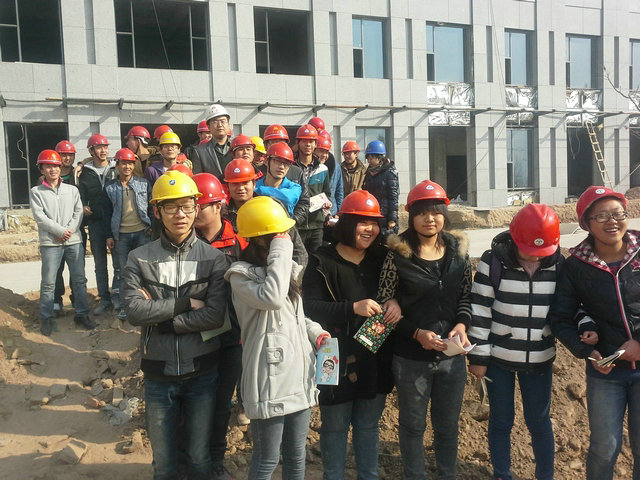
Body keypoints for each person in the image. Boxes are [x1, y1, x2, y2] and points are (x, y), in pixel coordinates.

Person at [122, 170, 229, 480]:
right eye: (170, 207)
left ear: (196, 208)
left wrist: (162, 321)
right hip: (158, 374)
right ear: (157, 211)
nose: (180, 214)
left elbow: (214, 316)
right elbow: (134, 311)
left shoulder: (213, 259)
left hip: (202, 372)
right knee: (165, 463)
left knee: (198, 457)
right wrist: (184, 304)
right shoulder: (139, 259)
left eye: (186, 206)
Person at [224, 195, 329, 480]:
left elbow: (296, 317)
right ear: (260, 239)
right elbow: (272, 298)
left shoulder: (283, 271)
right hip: (268, 380)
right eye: (280, 233)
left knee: (296, 457)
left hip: (298, 375)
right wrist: (282, 250)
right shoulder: (240, 276)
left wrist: (317, 333)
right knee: (267, 460)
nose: (288, 237)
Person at [377, 180, 472, 480]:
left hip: (451, 357)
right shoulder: (397, 254)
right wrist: (417, 333)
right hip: (411, 359)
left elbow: (466, 296)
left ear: (444, 215)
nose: (430, 219)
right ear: (411, 216)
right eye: (422, 213)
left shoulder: (458, 251)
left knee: (447, 427)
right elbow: (385, 305)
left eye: (436, 212)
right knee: (413, 426)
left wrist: (461, 324)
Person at [302, 190, 397, 479]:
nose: (370, 229)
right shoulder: (321, 261)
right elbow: (309, 307)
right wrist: (351, 308)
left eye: (374, 223)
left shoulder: (383, 259)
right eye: (361, 222)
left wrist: (395, 302)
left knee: (368, 426)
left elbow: (403, 289)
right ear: (346, 224)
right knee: (334, 427)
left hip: (373, 354)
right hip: (334, 355)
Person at [548, 185, 640, 480]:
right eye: (601, 216)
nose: (612, 221)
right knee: (604, 448)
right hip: (606, 374)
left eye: (618, 214)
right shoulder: (576, 266)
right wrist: (587, 351)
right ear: (586, 223)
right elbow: (560, 317)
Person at [468, 203, 563, 480]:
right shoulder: (494, 262)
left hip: (540, 360)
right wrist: (479, 357)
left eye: (542, 251)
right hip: (499, 359)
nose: (535, 256)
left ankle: (545, 475)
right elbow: (480, 310)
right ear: (514, 238)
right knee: (501, 420)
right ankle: (502, 474)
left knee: (540, 422)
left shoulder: (559, 264)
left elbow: (568, 307)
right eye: (528, 249)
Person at [192, 172, 247, 480]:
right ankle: (190, 461)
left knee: (222, 403)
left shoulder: (240, 243)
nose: (193, 212)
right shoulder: (185, 243)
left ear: (218, 206)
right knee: (193, 403)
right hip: (194, 335)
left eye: (199, 206)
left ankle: (215, 460)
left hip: (231, 338)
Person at [30, 150, 92, 336]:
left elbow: (78, 212)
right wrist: (59, 231)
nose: (53, 169)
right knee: (49, 282)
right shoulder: (36, 192)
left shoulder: (72, 190)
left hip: (73, 241)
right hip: (50, 243)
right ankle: (46, 318)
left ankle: (82, 314)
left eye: (55, 166)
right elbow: (40, 217)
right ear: (42, 169)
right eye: (48, 166)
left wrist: (68, 231)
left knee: (79, 280)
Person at [103, 148, 152, 321]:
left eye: (130, 163)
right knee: (125, 272)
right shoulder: (109, 188)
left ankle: (146, 303)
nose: (127, 167)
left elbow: (151, 206)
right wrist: (108, 235)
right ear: (117, 165)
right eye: (123, 163)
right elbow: (106, 213)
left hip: (142, 233)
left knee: (145, 270)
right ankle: (127, 306)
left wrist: (151, 225)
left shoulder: (143, 184)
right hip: (121, 236)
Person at [77, 133, 120, 316]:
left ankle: (118, 297)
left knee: (118, 263)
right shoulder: (84, 173)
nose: (103, 150)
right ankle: (104, 299)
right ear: (91, 151)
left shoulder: (115, 168)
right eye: (99, 147)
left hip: (115, 222)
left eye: (105, 147)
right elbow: (79, 194)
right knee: (100, 265)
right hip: (95, 224)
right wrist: (83, 205)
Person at [50, 140, 79, 315]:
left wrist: (71, 229)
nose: (67, 158)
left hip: (74, 231)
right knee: (56, 270)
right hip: (54, 232)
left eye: (70, 155)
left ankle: (77, 299)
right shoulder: (46, 179)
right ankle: (56, 301)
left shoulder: (79, 174)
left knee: (76, 270)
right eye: (64, 155)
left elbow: (79, 207)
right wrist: (58, 230)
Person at [294, 124, 331, 253]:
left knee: (316, 260)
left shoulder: (323, 169)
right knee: (297, 260)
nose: (308, 144)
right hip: (297, 225)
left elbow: (327, 193)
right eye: (304, 141)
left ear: (315, 144)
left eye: (311, 141)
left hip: (316, 225)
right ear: (298, 143)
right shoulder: (291, 168)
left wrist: (327, 204)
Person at [254, 143, 302, 218]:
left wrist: (257, 190)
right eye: (277, 161)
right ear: (266, 161)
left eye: (286, 163)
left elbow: (287, 198)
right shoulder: (256, 184)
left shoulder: (294, 187)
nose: (281, 167)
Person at [362, 140, 398, 237]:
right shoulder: (369, 172)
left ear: (379, 157)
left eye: (371, 158)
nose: (369, 161)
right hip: (372, 212)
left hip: (385, 216)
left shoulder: (390, 173)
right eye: (368, 158)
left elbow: (393, 198)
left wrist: (392, 219)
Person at [191, 104, 233, 179]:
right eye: (215, 122)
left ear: (228, 125)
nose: (219, 125)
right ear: (209, 127)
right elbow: (198, 179)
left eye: (223, 121)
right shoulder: (199, 152)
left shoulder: (237, 147)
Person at [315, 130, 344, 216]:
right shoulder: (309, 168)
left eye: (326, 151)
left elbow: (339, 191)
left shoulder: (336, 167)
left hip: (332, 212)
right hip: (314, 213)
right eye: (321, 150)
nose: (324, 155)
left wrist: (339, 213)